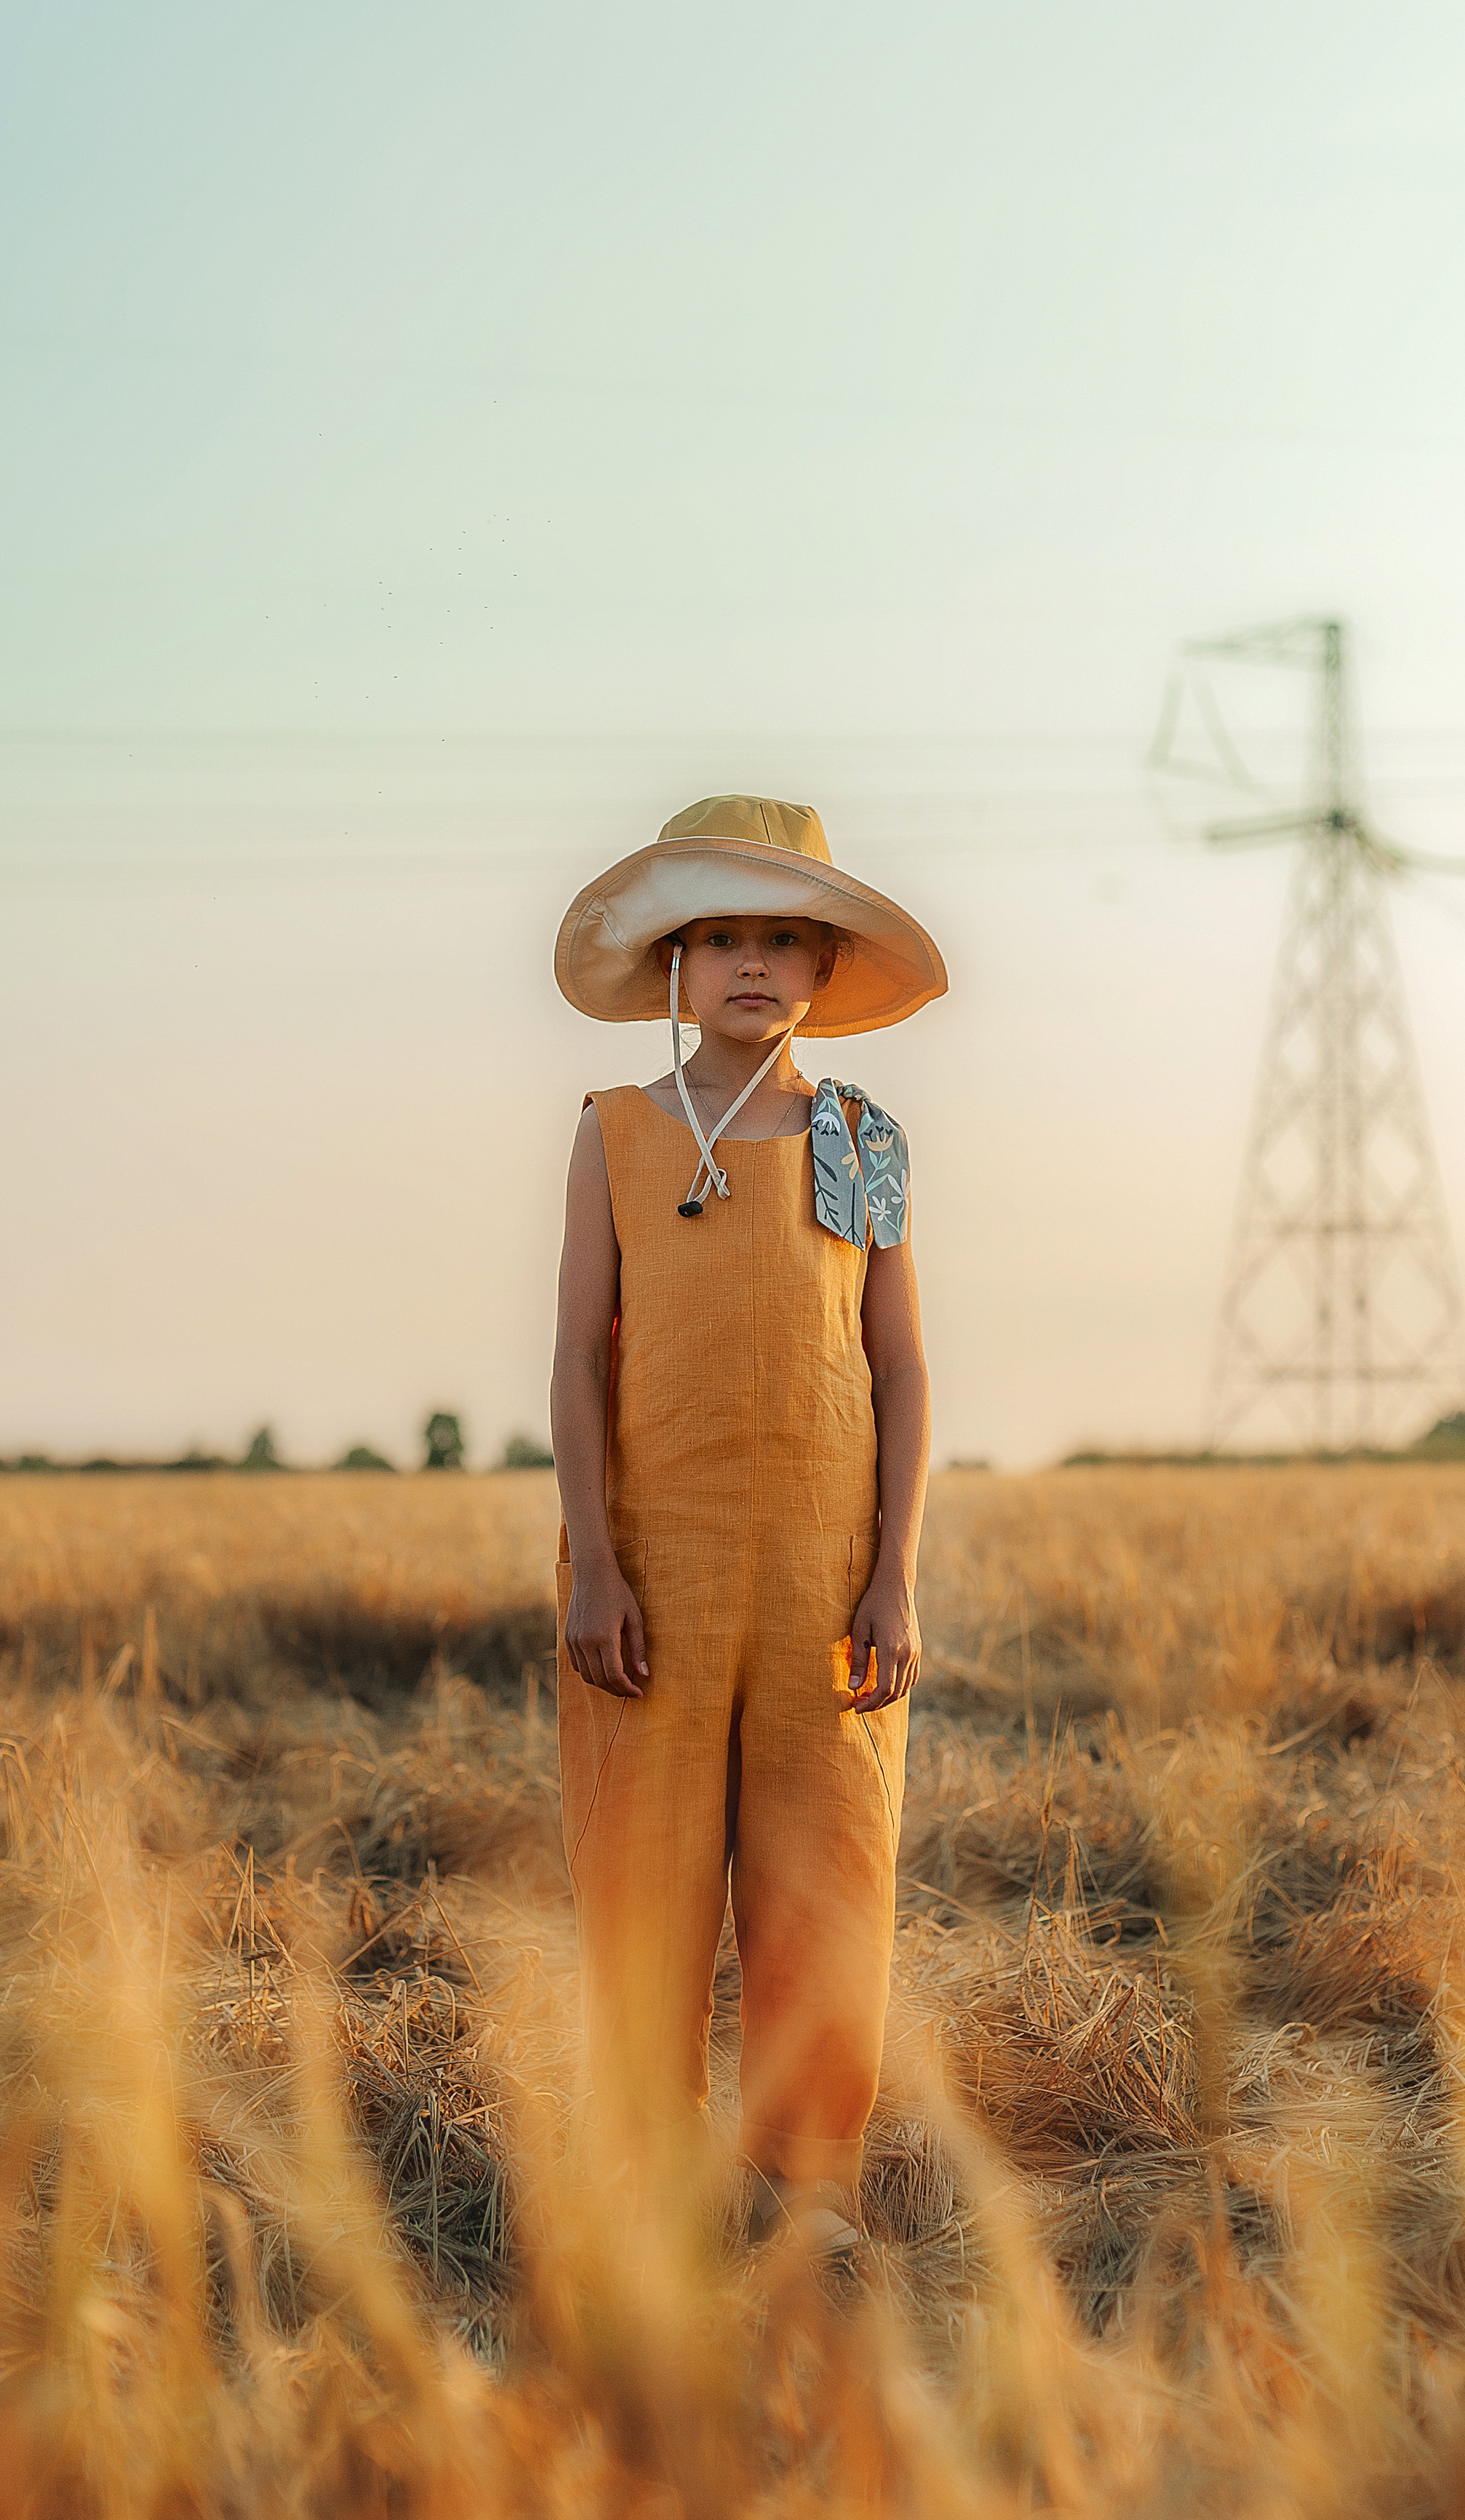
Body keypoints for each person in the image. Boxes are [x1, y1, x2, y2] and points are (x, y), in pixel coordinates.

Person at [548, 794, 947, 2259]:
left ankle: (805, 2189)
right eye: (721, 937)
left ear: (824, 966)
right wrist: (595, 1562)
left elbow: (898, 1366)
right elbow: (575, 1358)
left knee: (825, 1876)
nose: (753, 963)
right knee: (643, 1878)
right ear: (676, 961)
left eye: (782, 937)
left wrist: (893, 1575)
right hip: (652, 1567)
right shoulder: (614, 1133)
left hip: (825, 1576)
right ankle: (648, 2181)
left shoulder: (864, 1137)